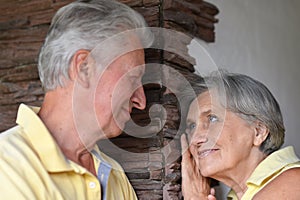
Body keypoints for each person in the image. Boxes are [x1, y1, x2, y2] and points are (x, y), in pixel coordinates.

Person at [0, 0, 153, 199]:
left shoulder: (114, 175)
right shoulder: (7, 166)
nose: (141, 101)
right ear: (84, 68)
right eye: (132, 78)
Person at [180, 71, 300, 200]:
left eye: (212, 119)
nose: (195, 139)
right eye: (192, 126)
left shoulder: (293, 182)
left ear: (258, 132)